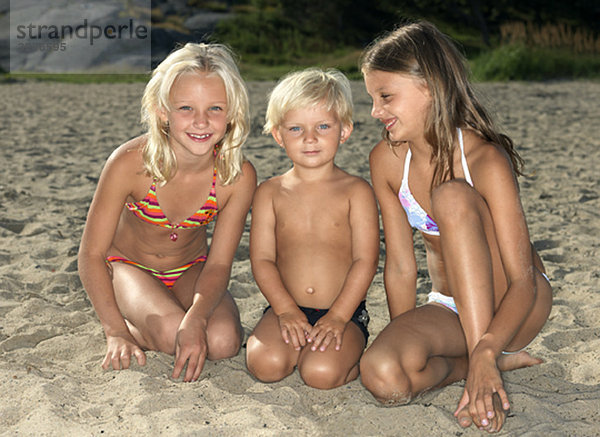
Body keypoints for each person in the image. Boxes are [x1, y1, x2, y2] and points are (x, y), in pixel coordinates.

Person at [359, 21, 552, 432]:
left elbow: (523, 281)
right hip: (449, 306)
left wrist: (487, 346)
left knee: (451, 196)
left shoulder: (484, 159)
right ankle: (481, 364)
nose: (376, 111)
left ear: (429, 87)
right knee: (382, 373)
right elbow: (399, 267)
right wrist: (403, 333)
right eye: (372, 99)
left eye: (386, 96)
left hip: (516, 305)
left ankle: (487, 364)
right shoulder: (387, 160)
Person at [78, 43, 256, 382]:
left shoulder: (237, 176)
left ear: (232, 112)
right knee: (173, 332)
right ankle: (131, 319)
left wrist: (198, 317)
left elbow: (218, 264)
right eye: (186, 108)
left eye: (215, 108)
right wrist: (115, 330)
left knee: (223, 342)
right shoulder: (130, 164)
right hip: (129, 269)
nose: (201, 121)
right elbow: (91, 254)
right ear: (163, 110)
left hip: (191, 270)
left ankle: (170, 310)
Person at [245, 68, 379, 389]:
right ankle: (291, 337)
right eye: (296, 128)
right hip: (286, 307)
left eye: (323, 126)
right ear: (278, 135)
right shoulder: (269, 193)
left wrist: (338, 317)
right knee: (265, 364)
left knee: (320, 375)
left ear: (344, 131)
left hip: (341, 310)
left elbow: (366, 261)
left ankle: (350, 351)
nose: (310, 138)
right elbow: (262, 260)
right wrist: (285, 310)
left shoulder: (356, 191)